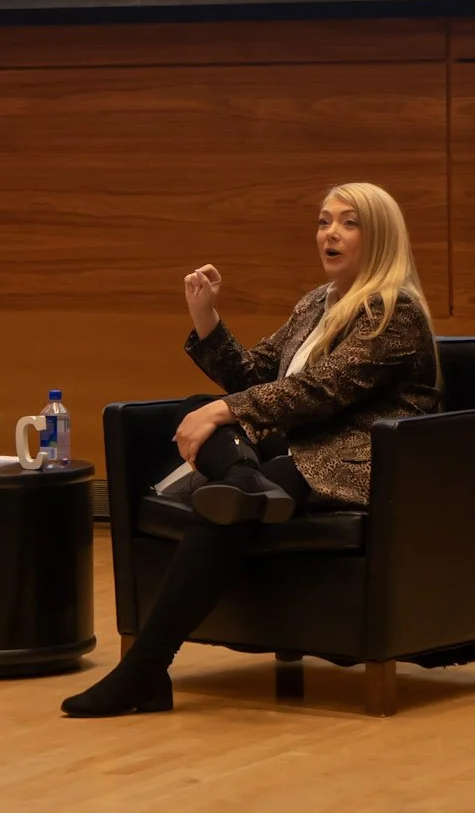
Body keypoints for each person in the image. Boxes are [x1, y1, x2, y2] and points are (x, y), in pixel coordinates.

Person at [61, 181, 440, 717]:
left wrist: (222, 412)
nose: (330, 233)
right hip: (290, 458)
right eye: (323, 221)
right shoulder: (317, 303)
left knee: (218, 478)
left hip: (349, 462)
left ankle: (145, 669)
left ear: (380, 238)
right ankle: (244, 482)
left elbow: (320, 390)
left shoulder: (394, 313)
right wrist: (205, 318)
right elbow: (255, 376)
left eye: (348, 223)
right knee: (196, 407)